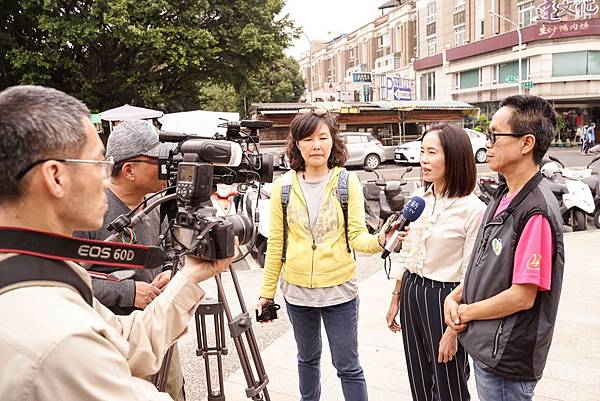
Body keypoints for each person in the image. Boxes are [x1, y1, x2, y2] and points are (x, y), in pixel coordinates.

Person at [0, 85, 232, 401]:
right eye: (98, 163)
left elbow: (126, 342)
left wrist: (188, 276)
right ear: (55, 177)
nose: (105, 177)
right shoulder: (61, 340)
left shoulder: (36, 269)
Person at [256, 109, 389, 401]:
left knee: (348, 366)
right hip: (297, 292)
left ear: (332, 142)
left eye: (322, 137)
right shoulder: (283, 188)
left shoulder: (346, 182)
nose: (316, 145)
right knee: (307, 360)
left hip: (340, 291)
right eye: (307, 138)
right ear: (297, 145)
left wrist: (380, 240)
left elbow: (356, 236)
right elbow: (276, 244)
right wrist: (267, 293)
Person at [444, 95, 565, 401]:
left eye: (496, 135)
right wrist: (455, 295)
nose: (489, 143)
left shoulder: (535, 211)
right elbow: (485, 263)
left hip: (506, 357)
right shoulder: (504, 194)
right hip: (489, 345)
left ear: (526, 143)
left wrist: (465, 312)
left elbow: (522, 296)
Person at [74, 119, 185, 400]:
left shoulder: (156, 203)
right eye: (158, 159)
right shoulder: (89, 211)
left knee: (172, 391)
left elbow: (172, 250)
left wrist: (171, 271)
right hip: (112, 343)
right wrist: (128, 292)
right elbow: (69, 281)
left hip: (157, 331)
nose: (166, 165)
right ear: (129, 170)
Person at [385, 123, 486, 401]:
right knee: (419, 379)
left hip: (446, 299)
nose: (423, 159)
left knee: (449, 384)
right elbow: (407, 253)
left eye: (431, 152)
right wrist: (396, 297)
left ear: (453, 156)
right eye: (422, 151)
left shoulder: (473, 210)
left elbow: (471, 276)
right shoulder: (419, 198)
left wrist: (453, 331)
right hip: (412, 293)